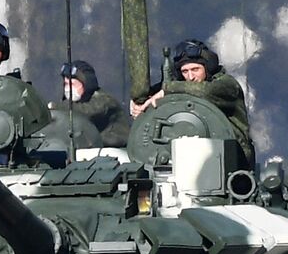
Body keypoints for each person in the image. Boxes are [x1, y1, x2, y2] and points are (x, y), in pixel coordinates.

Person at [130, 39, 254, 168]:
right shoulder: (182, 87)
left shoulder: (227, 85)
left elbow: (206, 91)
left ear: (208, 68)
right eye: (185, 71)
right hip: (189, 164)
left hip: (233, 161)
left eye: (195, 69)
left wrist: (167, 90)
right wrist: (141, 104)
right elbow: (155, 94)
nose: (190, 77)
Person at [55, 61, 130, 147]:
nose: (68, 89)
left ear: (87, 84)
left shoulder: (105, 101)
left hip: (116, 149)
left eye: (72, 84)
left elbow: (85, 112)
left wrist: (53, 108)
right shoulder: (70, 105)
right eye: (66, 84)